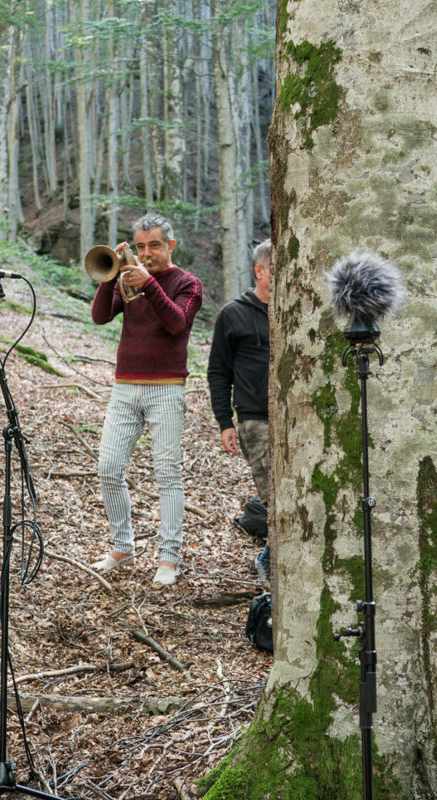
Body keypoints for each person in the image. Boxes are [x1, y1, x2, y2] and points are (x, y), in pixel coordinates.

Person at [90, 213, 204, 586]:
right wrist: (111, 277)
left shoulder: (188, 283)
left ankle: (168, 558)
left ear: (170, 245)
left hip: (166, 388)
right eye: (140, 246)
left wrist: (150, 285)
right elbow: (99, 317)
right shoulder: (129, 279)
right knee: (108, 467)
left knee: (167, 473)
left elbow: (176, 324)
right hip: (125, 387)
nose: (146, 253)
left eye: (154, 245)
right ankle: (123, 546)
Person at [207, 240, 272, 582]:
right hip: (254, 420)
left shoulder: (298, 312)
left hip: (299, 419)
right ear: (259, 271)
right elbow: (218, 371)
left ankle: (272, 559)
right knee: (273, 498)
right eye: (276, 270)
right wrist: (225, 422)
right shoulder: (233, 314)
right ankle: (269, 564)